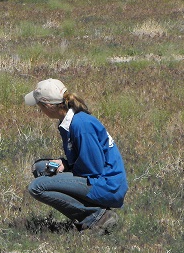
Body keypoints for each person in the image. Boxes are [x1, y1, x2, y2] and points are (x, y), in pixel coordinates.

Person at [24, 78, 127, 233]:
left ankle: (98, 216)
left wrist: (66, 167)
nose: (40, 111)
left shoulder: (81, 125)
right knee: (41, 168)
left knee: (37, 187)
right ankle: (91, 211)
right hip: (99, 179)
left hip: (107, 185)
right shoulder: (69, 121)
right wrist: (64, 164)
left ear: (48, 106)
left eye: (39, 106)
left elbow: (93, 168)